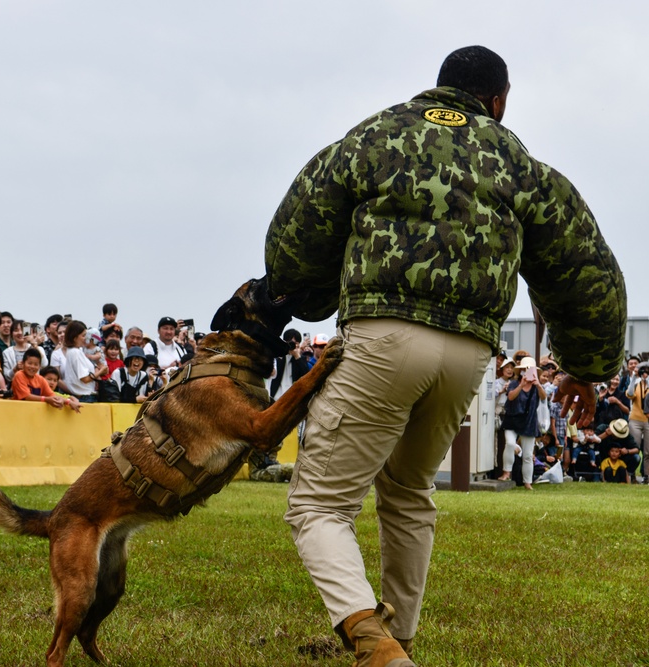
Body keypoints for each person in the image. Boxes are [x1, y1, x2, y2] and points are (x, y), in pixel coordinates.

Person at [263, 45, 625, 664]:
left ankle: (371, 643)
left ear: (437, 89)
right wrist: (588, 367)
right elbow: (586, 271)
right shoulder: (520, 164)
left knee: (320, 505)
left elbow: (296, 232)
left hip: (382, 335)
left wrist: (309, 295)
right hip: (468, 352)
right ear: (499, 101)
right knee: (408, 490)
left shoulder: (373, 137)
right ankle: (399, 637)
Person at [498, 356, 546, 489]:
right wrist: (521, 385)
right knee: (510, 443)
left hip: (529, 422)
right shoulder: (514, 383)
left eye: (530, 369)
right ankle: (506, 472)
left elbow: (543, 397)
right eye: (525, 369)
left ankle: (527, 482)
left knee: (528, 454)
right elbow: (511, 396)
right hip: (512, 420)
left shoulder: (537, 386)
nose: (527, 371)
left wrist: (537, 383)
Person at [59, 320, 108, 403]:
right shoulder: (75, 352)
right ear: (75, 338)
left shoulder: (76, 351)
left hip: (84, 396)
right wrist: (100, 371)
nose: (86, 338)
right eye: (83, 335)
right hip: (85, 397)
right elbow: (85, 378)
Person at [625, 363, 649, 483]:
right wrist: (635, 376)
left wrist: (647, 380)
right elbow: (629, 394)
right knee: (634, 447)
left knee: (647, 451)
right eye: (643, 372)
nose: (645, 374)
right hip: (635, 419)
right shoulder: (636, 384)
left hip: (648, 420)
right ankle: (632, 474)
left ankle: (646, 477)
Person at [270, 328, 309, 401]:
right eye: (290, 343)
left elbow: (306, 375)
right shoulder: (278, 355)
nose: (292, 346)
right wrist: (283, 351)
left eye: (296, 343)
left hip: (292, 398)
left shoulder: (300, 359)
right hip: (275, 397)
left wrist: (297, 356)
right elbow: (273, 371)